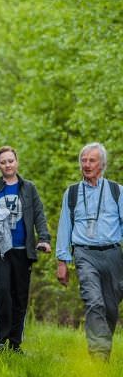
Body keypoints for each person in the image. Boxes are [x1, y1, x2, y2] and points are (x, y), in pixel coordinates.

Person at [56, 142, 123, 360]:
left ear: (102, 164)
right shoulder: (72, 193)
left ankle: (103, 348)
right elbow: (64, 227)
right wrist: (62, 261)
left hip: (113, 254)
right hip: (84, 254)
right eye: (83, 160)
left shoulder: (117, 191)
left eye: (91, 160)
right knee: (94, 301)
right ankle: (99, 355)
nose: (86, 164)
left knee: (111, 308)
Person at [0, 146, 51, 353]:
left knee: (20, 297)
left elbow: (39, 215)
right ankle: (1, 341)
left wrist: (44, 238)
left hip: (23, 250)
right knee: (4, 293)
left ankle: (15, 343)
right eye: (3, 162)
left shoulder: (28, 188)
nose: (7, 165)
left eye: (10, 161)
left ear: (17, 162)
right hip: (2, 251)